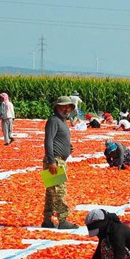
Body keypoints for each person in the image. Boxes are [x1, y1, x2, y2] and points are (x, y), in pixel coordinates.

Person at [42, 96, 78, 229]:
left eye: (68, 106)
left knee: (51, 192)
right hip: (54, 161)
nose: (66, 109)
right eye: (63, 106)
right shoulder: (53, 120)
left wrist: (68, 148)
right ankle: (63, 220)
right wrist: (52, 161)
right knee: (59, 191)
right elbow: (48, 141)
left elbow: (57, 140)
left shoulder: (62, 121)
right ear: (57, 107)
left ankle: (47, 219)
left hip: (60, 159)